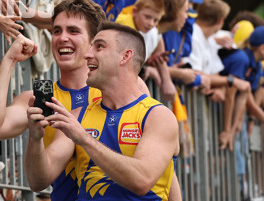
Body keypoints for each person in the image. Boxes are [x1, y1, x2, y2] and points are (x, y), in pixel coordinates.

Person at [25, 22, 179, 200]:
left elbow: (142, 180)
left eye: (99, 47)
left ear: (125, 56)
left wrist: (85, 139)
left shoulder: (158, 116)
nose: (87, 55)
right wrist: (35, 138)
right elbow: (38, 182)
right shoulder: (77, 116)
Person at [0, 0, 107, 201]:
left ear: (93, 41)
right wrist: (9, 60)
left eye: (73, 31)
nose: (62, 38)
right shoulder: (39, 100)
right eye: (56, 31)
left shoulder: (113, 91)